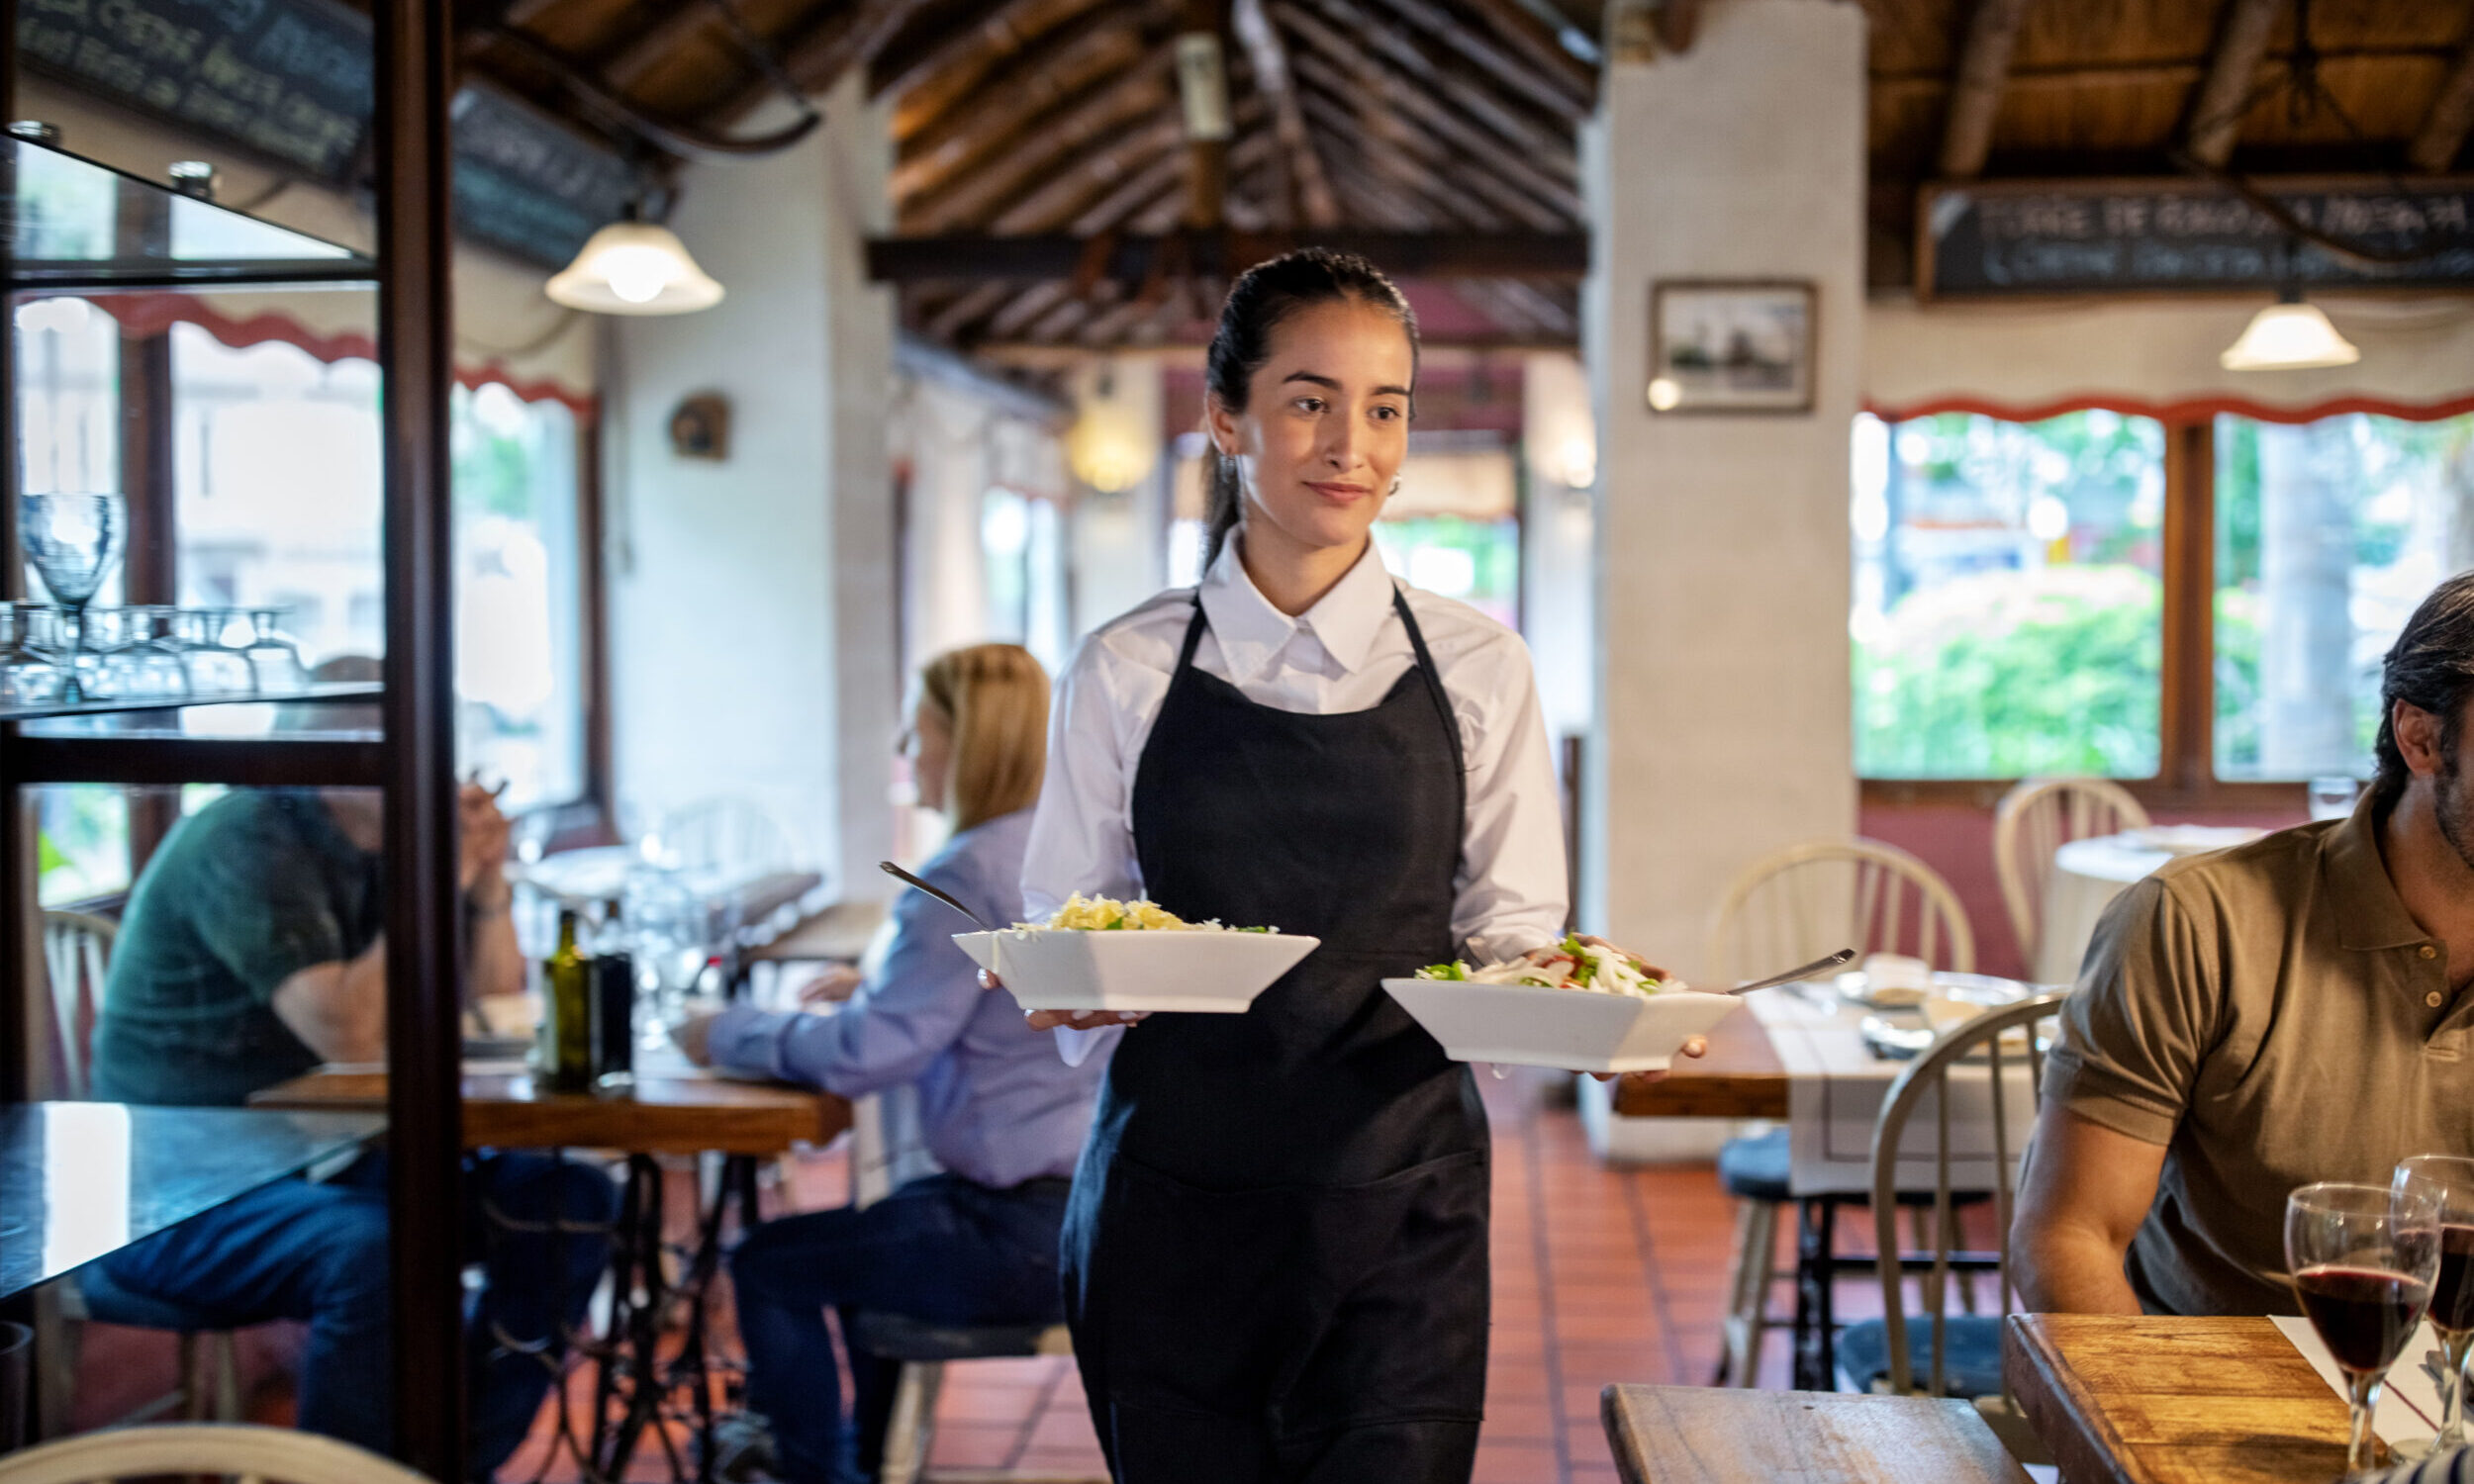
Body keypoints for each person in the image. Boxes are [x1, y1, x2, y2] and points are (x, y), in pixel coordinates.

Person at [1017, 249, 1685, 1484]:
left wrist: (1587, 1008)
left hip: (1402, 1204)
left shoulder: (1480, 665)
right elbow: (1073, 913)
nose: (1351, 447)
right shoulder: (1125, 666)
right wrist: (1073, 983)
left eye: (1385, 410)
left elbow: (1506, 935)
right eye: (1309, 401)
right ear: (1227, 419)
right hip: (1174, 1201)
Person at [86, 660, 613, 1477]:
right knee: (374, 1251)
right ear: (339, 760)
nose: (442, 772)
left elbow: (495, 1003)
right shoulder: (246, 837)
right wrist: (436, 867)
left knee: (568, 1200)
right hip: (173, 1188)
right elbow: (351, 1036)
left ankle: (446, 1463)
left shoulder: (387, 839)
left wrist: (486, 882)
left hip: (320, 1154)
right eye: (418, 749)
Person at [678, 643, 1103, 1484]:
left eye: (918, 732)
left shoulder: (963, 874)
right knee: (869, 1242)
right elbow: (978, 1002)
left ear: (967, 742)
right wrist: (882, 988)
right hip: (1088, 1212)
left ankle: (811, 1473)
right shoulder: (1071, 858)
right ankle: (861, 1466)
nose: (906, 754)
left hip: (1015, 1235)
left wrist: (723, 1031)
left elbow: (868, 1053)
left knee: (766, 1263)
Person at [2013, 572, 2474, 1318]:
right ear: (2420, 737)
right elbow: (2070, 1237)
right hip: (2216, 1375)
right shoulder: (2195, 924)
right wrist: (2144, 1395)